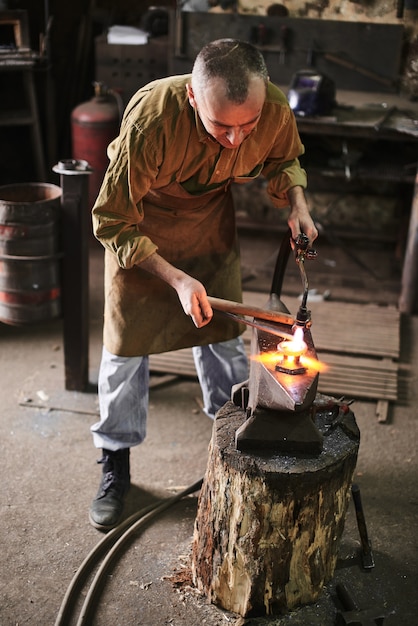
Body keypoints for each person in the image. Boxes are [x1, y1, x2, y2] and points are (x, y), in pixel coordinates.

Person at [89, 38, 318, 531]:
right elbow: (111, 221)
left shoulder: (273, 109)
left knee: (223, 341)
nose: (236, 140)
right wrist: (174, 279)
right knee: (125, 353)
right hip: (142, 228)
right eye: (220, 126)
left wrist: (297, 205)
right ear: (194, 100)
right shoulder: (152, 123)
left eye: (248, 126)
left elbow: (284, 160)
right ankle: (115, 465)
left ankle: (234, 445)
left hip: (209, 222)